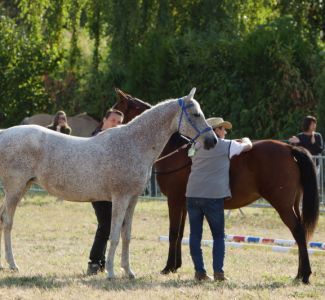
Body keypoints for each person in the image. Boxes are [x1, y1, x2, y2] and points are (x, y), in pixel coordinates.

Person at [186, 117, 253, 282]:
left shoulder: (196, 145)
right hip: (213, 196)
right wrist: (244, 139)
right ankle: (218, 273)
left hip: (192, 194)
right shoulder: (225, 145)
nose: (225, 131)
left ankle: (200, 273)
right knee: (218, 236)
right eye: (222, 128)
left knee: (195, 235)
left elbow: (191, 156)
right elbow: (248, 146)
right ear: (215, 130)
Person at [87, 108, 124, 275]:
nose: (116, 124)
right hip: (98, 188)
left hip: (113, 190)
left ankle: (100, 260)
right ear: (104, 120)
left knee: (108, 225)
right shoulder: (95, 137)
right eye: (113, 121)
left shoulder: (116, 140)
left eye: (119, 122)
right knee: (106, 225)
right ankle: (94, 261)